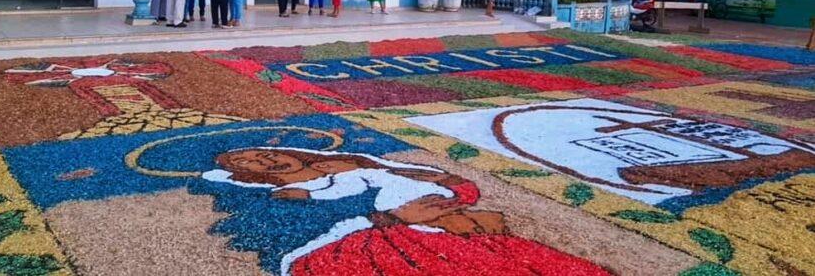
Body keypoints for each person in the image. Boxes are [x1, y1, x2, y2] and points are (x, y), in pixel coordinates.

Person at [202, 147, 610, 276]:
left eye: (265, 151)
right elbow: (297, 247)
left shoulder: (353, 163)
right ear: (242, 173)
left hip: (442, 222)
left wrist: (449, 193)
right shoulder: (289, 196)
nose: (267, 159)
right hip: (394, 238)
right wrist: (395, 221)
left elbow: (440, 183)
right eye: (253, 161)